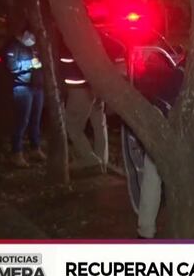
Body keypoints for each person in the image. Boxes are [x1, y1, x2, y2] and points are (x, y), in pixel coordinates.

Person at [135, 53, 183, 239]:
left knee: (152, 177)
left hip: (158, 118)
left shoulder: (178, 71)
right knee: (160, 176)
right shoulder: (190, 73)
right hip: (165, 122)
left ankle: (146, 229)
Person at [61, 33, 126, 172]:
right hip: (95, 88)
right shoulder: (91, 34)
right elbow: (118, 48)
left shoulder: (72, 36)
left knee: (72, 126)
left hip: (80, 90)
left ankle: (90, 159)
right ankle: (102, 161)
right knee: (99, 125)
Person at [5, 28, 45, 168]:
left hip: (37, 87)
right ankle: (16, 153)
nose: (32, 38)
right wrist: (30, 64)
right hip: (22, 87)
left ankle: (35, 149)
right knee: (22, 121)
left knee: (35, 120)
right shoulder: (13, 46)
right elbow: (12, 66)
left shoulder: (34, 46)